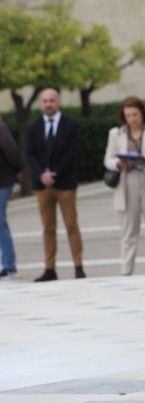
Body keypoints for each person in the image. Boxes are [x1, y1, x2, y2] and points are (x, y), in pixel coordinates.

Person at [104, 97, 145, 275]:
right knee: (128, 233)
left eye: (135, 114)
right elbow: (108, 160)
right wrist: (118, 163)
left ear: (142, 113)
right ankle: (126, 271)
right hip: (126, 183)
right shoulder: (116, 134)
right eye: (128, 115)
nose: (132, 119)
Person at [25, 88, 85, 282]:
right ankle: (49, 268)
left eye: (51, 100)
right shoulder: (34, 127)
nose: (48, 104)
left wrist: (56, 173)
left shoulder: (71, 125)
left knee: (71, 225)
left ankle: (78, 266)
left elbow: (72, 152)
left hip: (65, 183)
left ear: (58, 102)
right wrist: (41, 174)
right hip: (42, 185)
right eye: (45, 101)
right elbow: (30, 154)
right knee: (48, 228)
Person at [0, 115, 23, 280]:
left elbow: (11, 150)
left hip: (2, 181)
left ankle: (9, 266)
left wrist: (18, 169)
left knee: (0, 223)